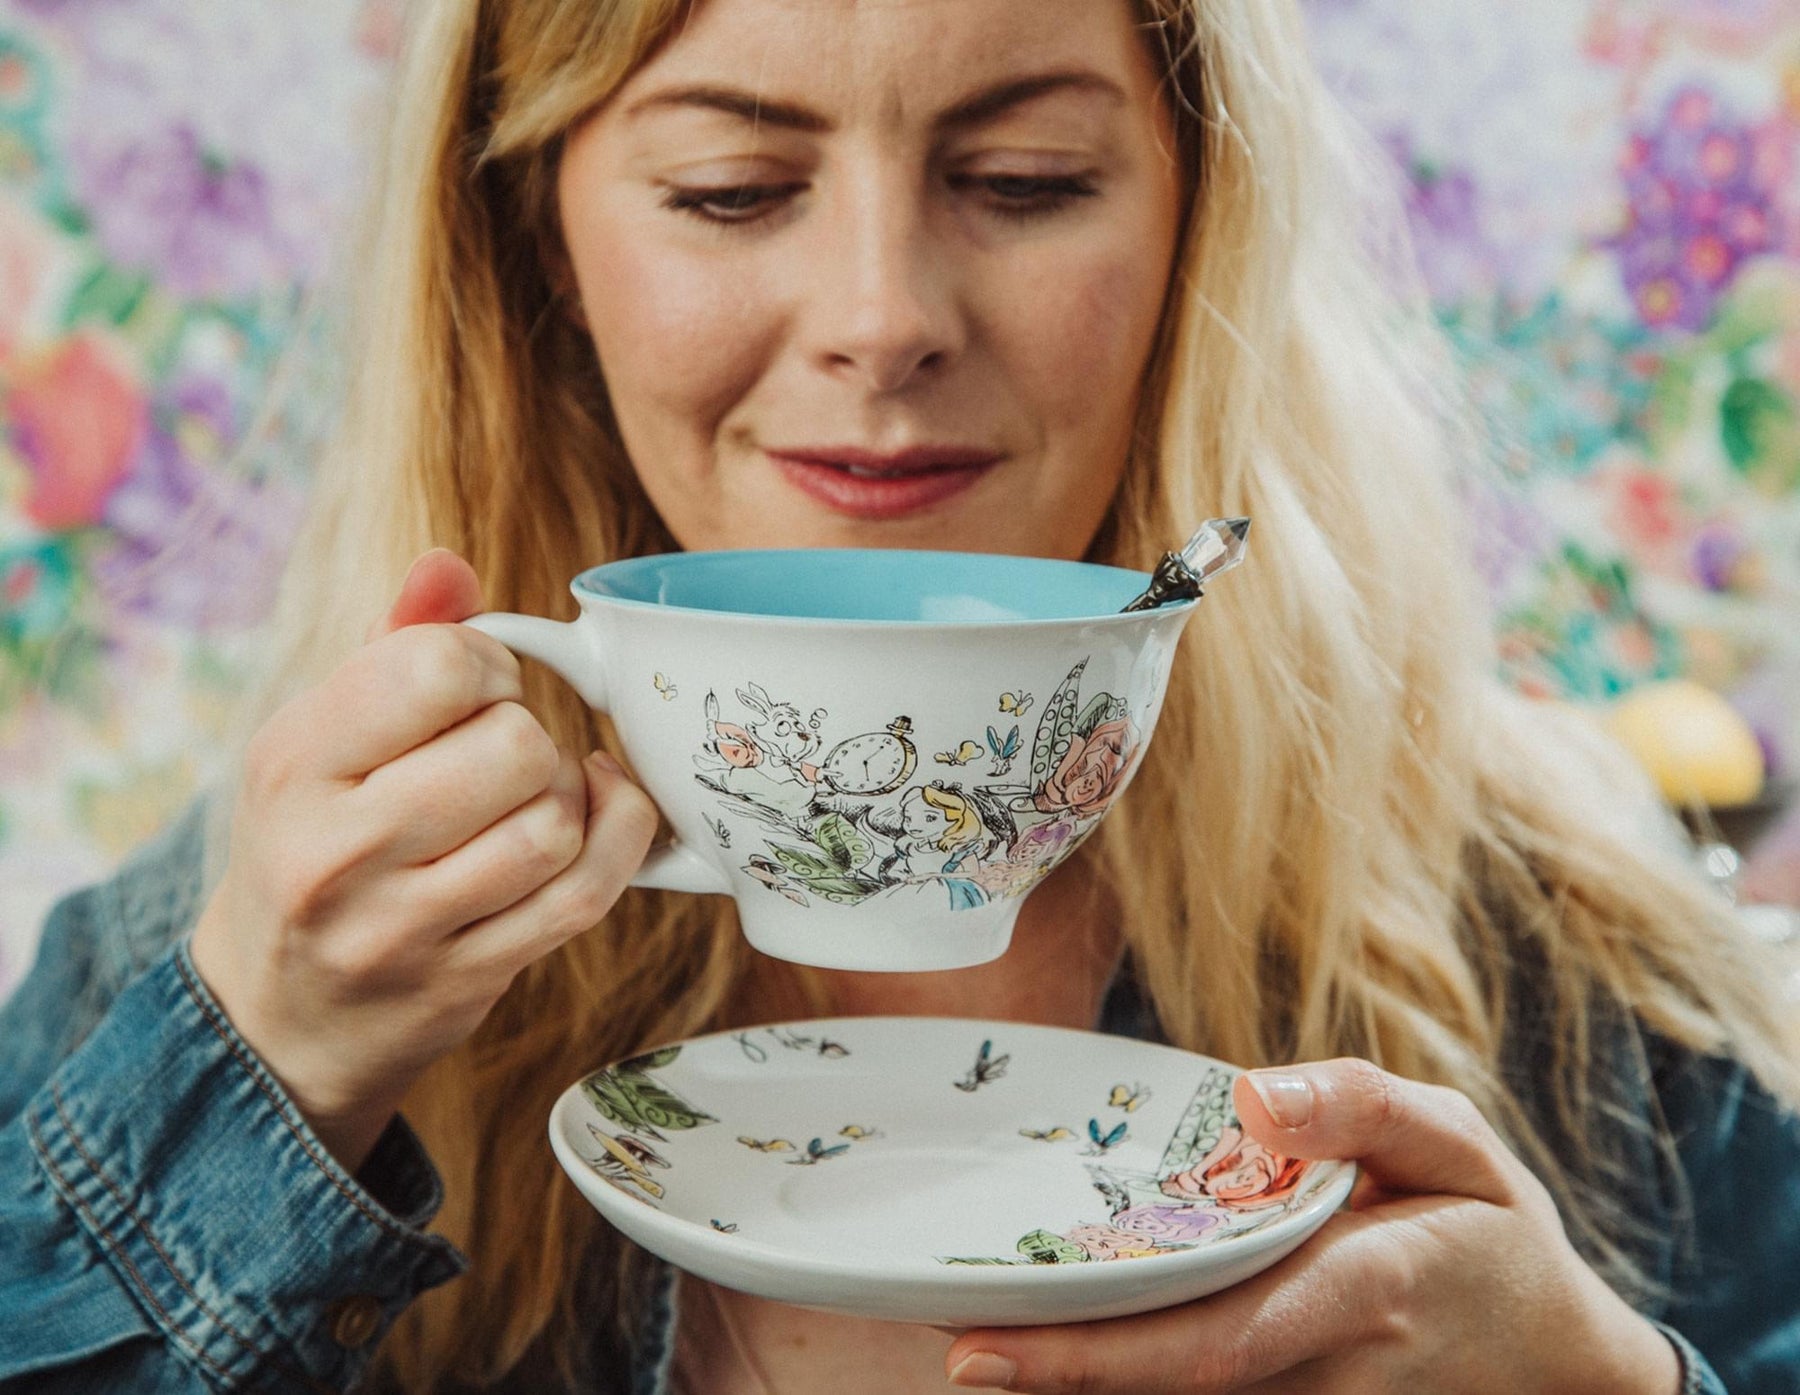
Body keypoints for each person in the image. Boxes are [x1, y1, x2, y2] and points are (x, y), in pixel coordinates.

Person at [3, 0, 1798, 1391]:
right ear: (540, 237)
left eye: (1022, 182)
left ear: (1194, 215)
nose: (882, 317)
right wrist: (262, 1082)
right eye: (731, 191)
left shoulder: (1572, 976)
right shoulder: (243, 946)